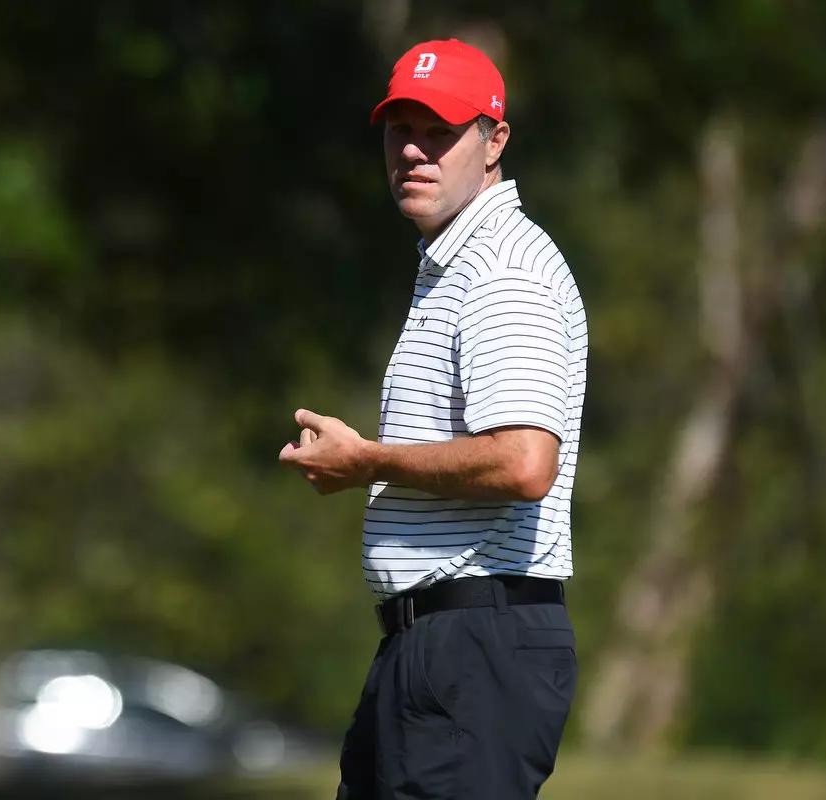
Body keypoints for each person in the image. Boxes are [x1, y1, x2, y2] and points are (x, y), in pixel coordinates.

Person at [278, 38, 588, 799]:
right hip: (437, 648)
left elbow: (523, 463)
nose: (414, 151)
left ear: (494, 141)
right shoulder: (453, 265)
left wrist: (370, 462)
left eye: (441, 132)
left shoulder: (503, 269)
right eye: (398, 129)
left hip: (476, 644)